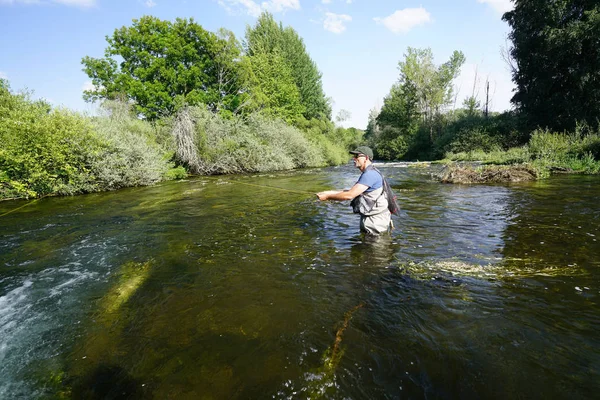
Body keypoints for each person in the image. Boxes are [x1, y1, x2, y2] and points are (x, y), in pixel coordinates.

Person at [316, 146, 392, 235]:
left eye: (357, 156)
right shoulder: (371, 172)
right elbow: (353, 191)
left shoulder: (370, 175)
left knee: (373, 247)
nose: (354, 158)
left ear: (366, 158)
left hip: (375, 222)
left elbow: (350, 195)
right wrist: (330, 192)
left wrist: (327, 197)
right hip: (375, 219)